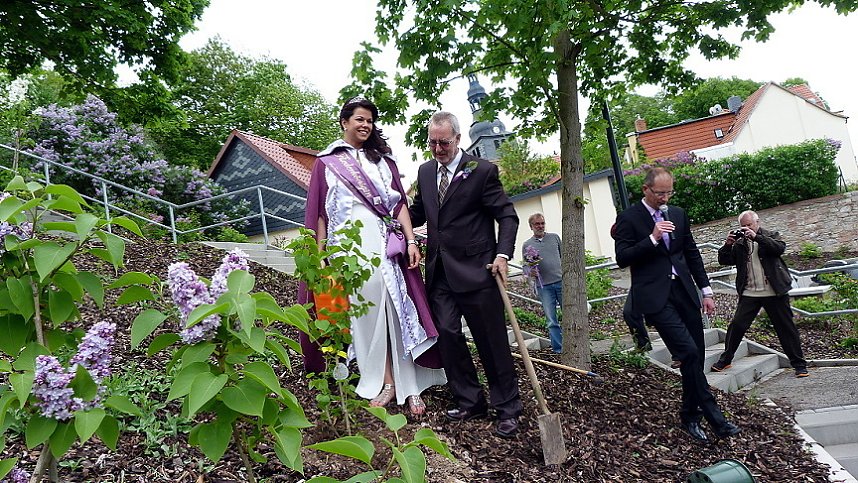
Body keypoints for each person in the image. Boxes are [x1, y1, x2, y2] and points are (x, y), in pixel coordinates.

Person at [298, 97, 446, 415]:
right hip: (345, 252)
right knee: (364, 317)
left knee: (395, 310)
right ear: (344, 122)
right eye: (359, 119)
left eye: (369, 120)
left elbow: (399, 206)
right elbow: (320, 214)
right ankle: (386, 381)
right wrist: (320, 256)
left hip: (382, 246)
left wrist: (410, 240)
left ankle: (411, 385)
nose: (365, 125)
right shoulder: (327, 162)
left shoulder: (382, 161)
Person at [409, 111, 523, 438]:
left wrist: (502, 255)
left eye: (443, 142)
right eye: (432, 142)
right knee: (446, 333)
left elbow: (507, 216)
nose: (438, 148)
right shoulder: (426, 172)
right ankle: (470, 399)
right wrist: (388, 214)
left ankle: (507, 407)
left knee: (491, 341)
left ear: (457, 139)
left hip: (479, 271)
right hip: (440, 272)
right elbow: (418, 212)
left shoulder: (482, 170)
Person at [613, 167, 740, 443]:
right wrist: (652, 238)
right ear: (646, 190)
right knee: (689, 353)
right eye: (660, 193)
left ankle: (690, 415)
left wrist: (706, 291)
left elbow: (691, 253)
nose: (665, 197)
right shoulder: (628, 218)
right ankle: (715, 418)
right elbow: (622, 258)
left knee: (694, 357)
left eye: (669, 191)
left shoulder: (678, 213)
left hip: (684, 292)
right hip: (655, 298)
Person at [712, 210, 809, 377]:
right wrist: (728, 245)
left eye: (749, 225)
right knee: (737, 325)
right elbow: (724, 260)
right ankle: (726, 360)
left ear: (757, 223)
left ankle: (799, 365)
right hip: (750, 292)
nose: (746, 228)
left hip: (774, 291)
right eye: (743, 226)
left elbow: (779, 248)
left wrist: (756, 237)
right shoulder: (740, 243)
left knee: (786, 328)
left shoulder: (771, 235)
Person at [522, 213, 563, 353]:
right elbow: (525, 266)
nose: (540, 226)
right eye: (537, 224)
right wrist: (530, 272)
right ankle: (559, 349)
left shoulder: (555, 238)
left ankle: (576, 346)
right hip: (544, 287)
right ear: (531, 227)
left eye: (542, 223)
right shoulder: (527, 245)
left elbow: (564, 257)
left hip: (561, 282)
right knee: (551, 320)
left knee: (570, 315)